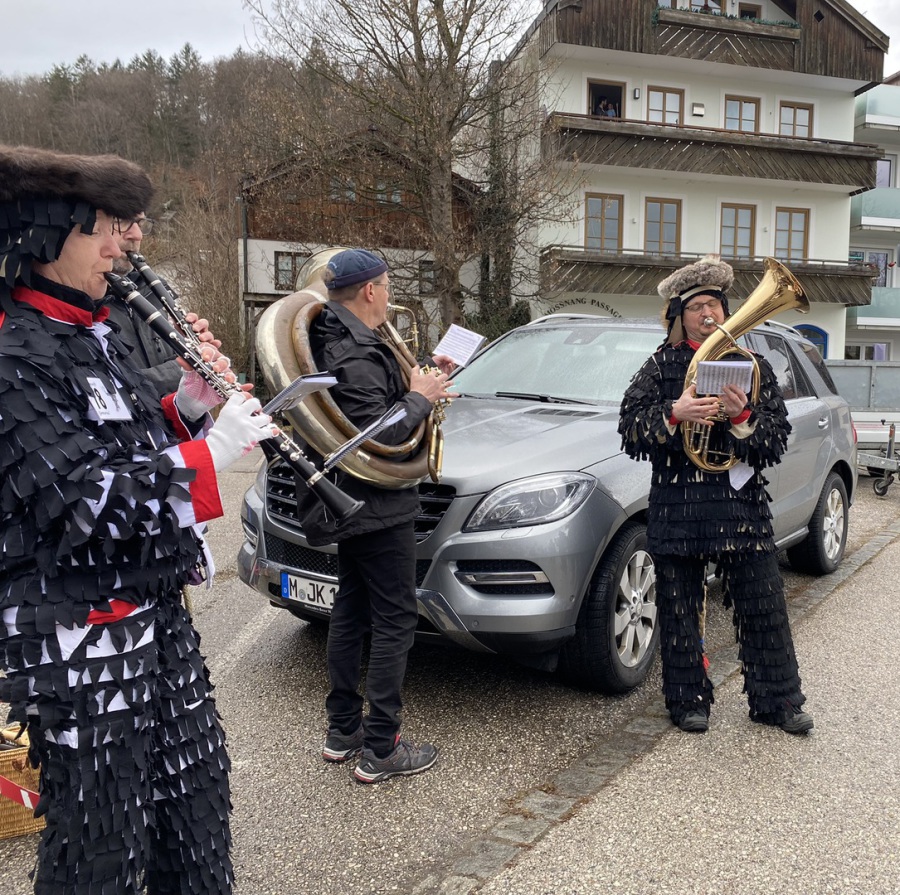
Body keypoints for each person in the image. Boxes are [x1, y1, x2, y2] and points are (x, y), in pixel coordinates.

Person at [0, 144, 278, 894]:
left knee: (196, 813)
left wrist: (189, 403)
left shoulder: (96, 331)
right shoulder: (12, 352)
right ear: (46, 233)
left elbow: (129, 443)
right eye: (101, 227)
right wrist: (210, 457)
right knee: (103, 841)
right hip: (80, 640)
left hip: (158, 619)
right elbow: (80, 499)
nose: (121, 245)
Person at [617, 255, 813, 736]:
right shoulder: (660, 365)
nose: (708, 314)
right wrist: (675, 413)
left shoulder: (752, 365)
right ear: (678, 316)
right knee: (679, 610)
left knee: (764, 607)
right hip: (677, 508)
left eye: (715, 305)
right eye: (696, 307)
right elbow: (630, 429)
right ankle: (688, 702)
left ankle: (779, 702)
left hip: (740, 508)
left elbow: (775, 441)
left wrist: (743, 417)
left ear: (727, 311)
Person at [303, 248, 455, 783]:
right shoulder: (356, 352)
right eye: (387, 287)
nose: (389, 296)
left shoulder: (342, 339)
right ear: (370, 290)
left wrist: (425, 386)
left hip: (356, 502)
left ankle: (343, 730)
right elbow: (375, 434)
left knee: (350, 611)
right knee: (394, 619)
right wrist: (419, 399)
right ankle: (382, 747)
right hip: (376, 502)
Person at [104, 214, 184, 397]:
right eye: (121, 220)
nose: (137, 234)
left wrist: (195, 352)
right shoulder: (81, 302)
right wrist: (183, 370)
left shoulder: (151, 289)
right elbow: (111, 389)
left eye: (139, 223)